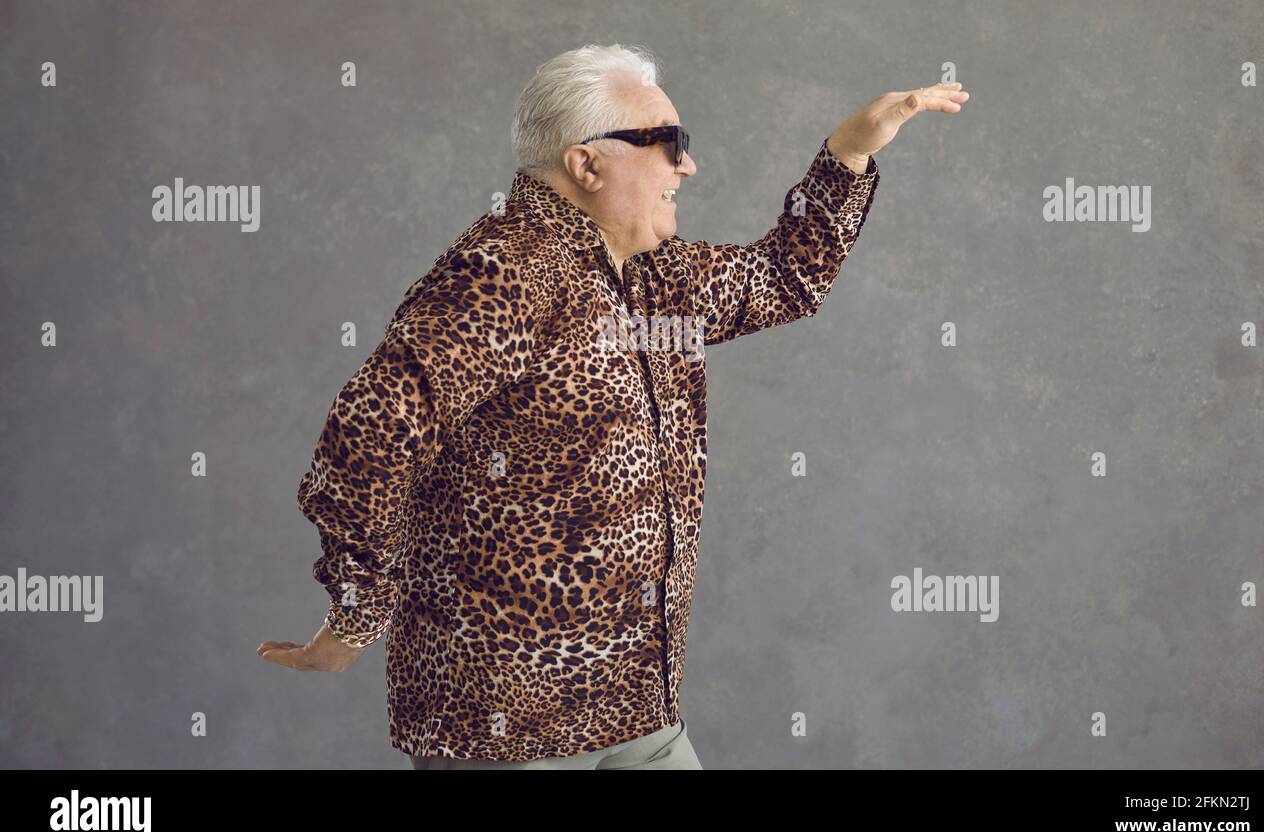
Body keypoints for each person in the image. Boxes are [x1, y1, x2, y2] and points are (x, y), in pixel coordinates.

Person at [258, 43, 969, 769]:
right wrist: (356, 616)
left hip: (636, 707)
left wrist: (847, 154)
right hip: (507, 727)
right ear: (586, 163)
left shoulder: (653, 277)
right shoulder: (505, 270)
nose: (686, 166)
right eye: (668, 144)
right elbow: (372, 434)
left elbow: (786, 277)